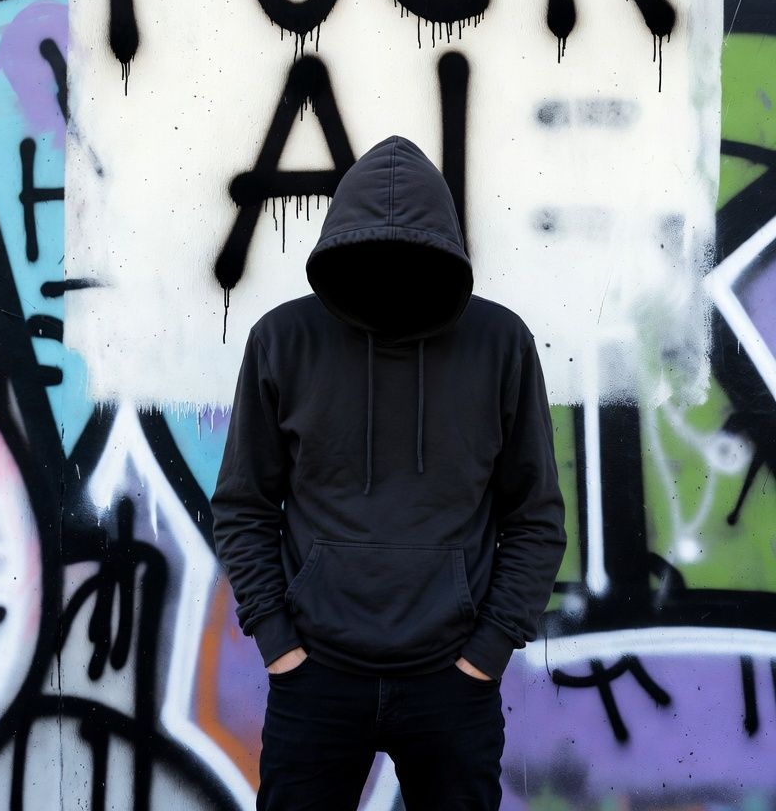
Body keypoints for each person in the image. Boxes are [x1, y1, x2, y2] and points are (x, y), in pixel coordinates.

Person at [211, 135, 566, 811]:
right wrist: (280, 645)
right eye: (375, 253)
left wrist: (484, 655)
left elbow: (536, 516)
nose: (393, 269)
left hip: (450, 684)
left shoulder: (499, 344)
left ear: (445, 249)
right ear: (342, 244)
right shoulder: (284, 341)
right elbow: (244, 504)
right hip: (316, 679)